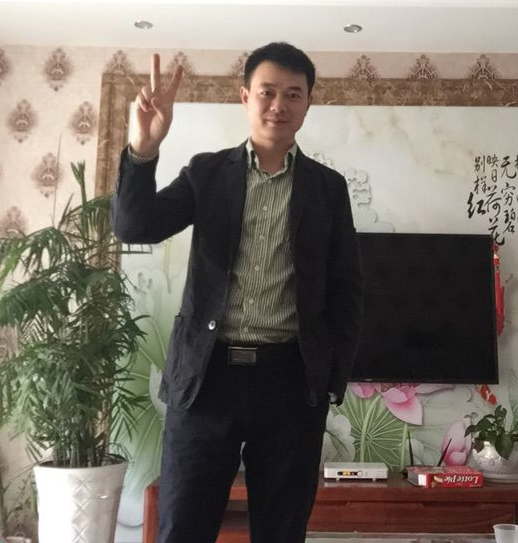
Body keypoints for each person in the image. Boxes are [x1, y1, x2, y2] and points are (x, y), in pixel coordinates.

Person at [112, 42, 362, 543]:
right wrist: (143, 150)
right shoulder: (207, 174)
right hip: (206, 379)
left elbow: (346, 288)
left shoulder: (328, 189)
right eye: (267, 91)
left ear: (308, 103)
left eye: (293, 94)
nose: (279, 105)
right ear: (245, 96)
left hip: (290, 382)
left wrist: (329, 378)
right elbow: (135, 226)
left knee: (281, 532)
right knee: (183, 527)